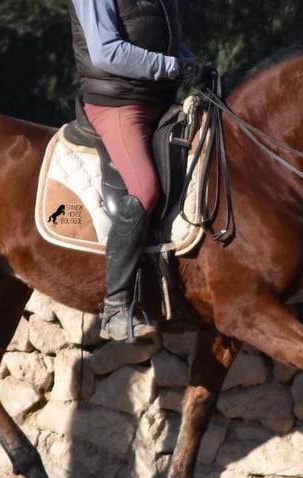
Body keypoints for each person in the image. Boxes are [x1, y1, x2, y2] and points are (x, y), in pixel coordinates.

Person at [66, 0, 214, 342]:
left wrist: (193, 64)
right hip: (118, 104)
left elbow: (163, 43)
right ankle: (116, 307)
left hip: (160, 99)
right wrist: (176, 67)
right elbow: (107, 52)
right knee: (145, 188)